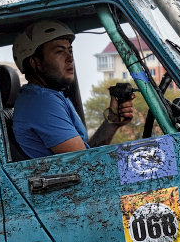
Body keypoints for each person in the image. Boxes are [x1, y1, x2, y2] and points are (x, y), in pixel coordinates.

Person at [11, 20, 135, 159]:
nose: (70, 58)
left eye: (70, 51)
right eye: (59, 52)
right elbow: (85, 163)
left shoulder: (49, 96)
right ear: (35, 63)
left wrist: (112, 122)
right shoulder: (41, 102)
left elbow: (84, 155)